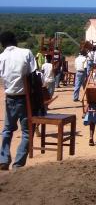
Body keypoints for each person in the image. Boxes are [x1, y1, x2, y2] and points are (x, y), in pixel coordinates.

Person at [0, 31, 37, 170]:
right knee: (27, 131)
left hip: (9, 98)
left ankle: (3, 159)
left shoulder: (1, 57)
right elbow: (34, 75)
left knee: (7, 130)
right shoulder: (26, 53)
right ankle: (18, 163)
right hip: (25, 98)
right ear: (14, 40)